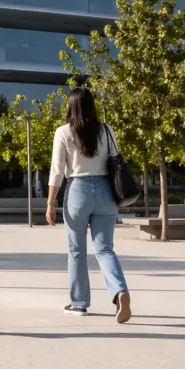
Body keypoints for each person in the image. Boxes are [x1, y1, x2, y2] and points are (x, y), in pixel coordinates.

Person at [46, 87, 132, 324]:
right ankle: (119, 291)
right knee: (105, 249)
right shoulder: (106, 131)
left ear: (70, 107)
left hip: (78, 191)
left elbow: (57, 171)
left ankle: (79, 303)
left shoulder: (63, 132)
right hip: (105, 191)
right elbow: (116, 161)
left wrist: (50, 202)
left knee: (76, 251)